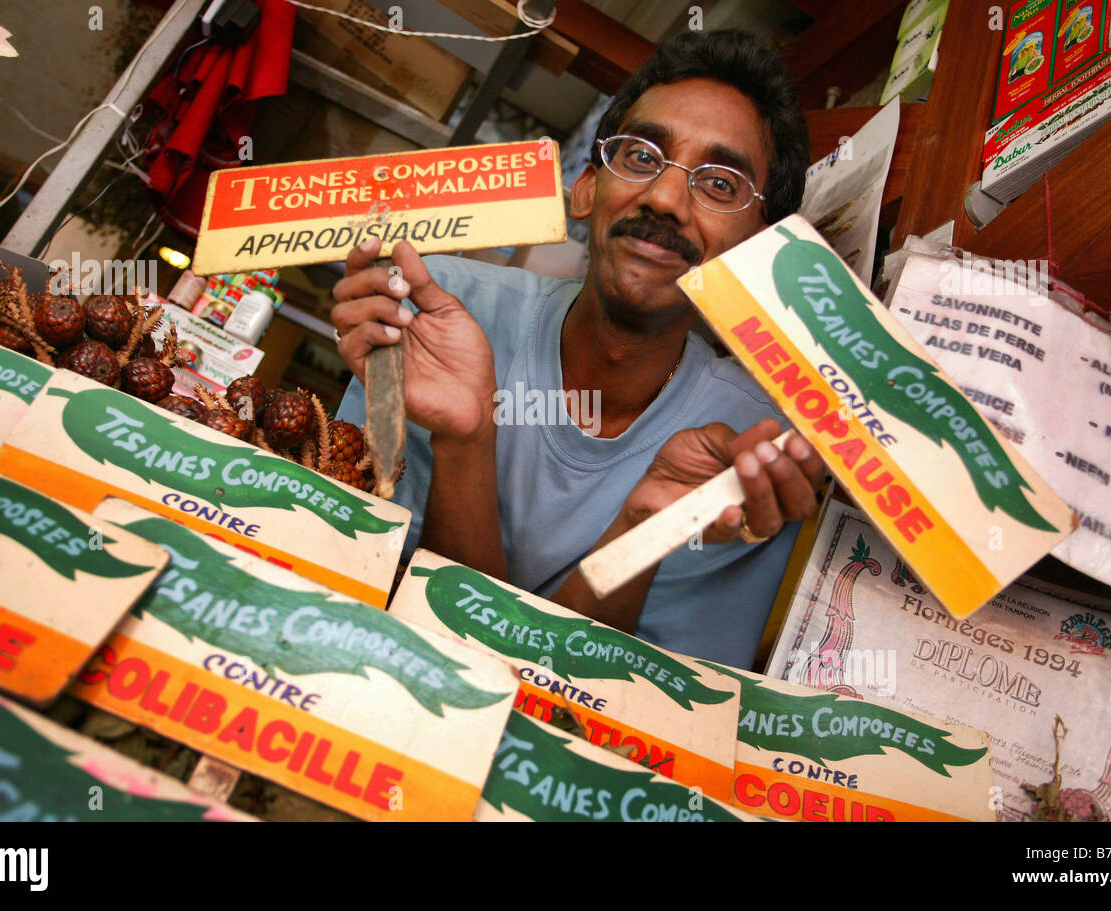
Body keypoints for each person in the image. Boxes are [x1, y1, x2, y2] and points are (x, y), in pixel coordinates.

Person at [332, 29, 824, 669]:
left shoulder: (750, 450)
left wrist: (642, 532)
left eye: (720, 184)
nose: (665, 198)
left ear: (760, 246)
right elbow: (341, 575)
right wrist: (465, 437)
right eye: (643, 157)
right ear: (587, 187)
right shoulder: (438, 310)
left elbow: (598, 710)